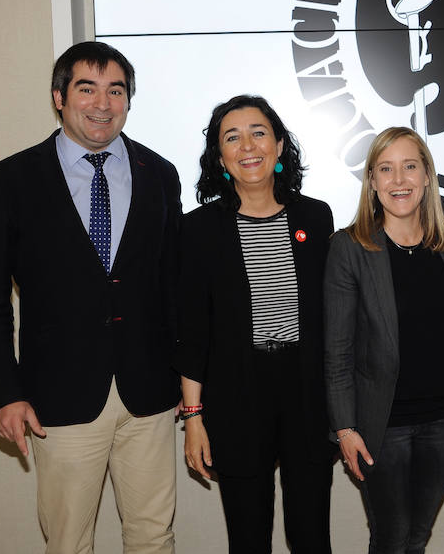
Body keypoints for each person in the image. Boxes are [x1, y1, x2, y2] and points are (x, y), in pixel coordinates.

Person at [0, 41, 181, 554]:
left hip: (148, 395)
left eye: (116, 90)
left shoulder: (161, 175)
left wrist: (187, 379)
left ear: (129, 100)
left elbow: (176, 287)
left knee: (154, 536)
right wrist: (5, 392)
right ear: (59, 97)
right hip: (57, 400)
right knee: (67, 542)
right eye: (87, 89)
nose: (102, 104)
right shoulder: (10, 180)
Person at [174, 95, 334, 553]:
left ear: (279, 145)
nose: (248, 146)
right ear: (220, 156)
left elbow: (334, 320)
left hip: (307, 395)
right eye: (232, 137)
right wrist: (193, 417)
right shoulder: (200, 229)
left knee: (311, 538)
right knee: (247, 539)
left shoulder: (315, 216)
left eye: (259, 132)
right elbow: (194, 331)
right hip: (236, 396)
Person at [324, 127, 444, 554]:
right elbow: (337, 351)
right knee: (391, 538)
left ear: (427, 176)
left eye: (410, 166)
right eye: (385, 169)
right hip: (381, 425)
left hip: (443, 419)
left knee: (419, 537)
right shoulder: (349, 247)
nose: (399, 180)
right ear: (371, 181)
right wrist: (345, 428)